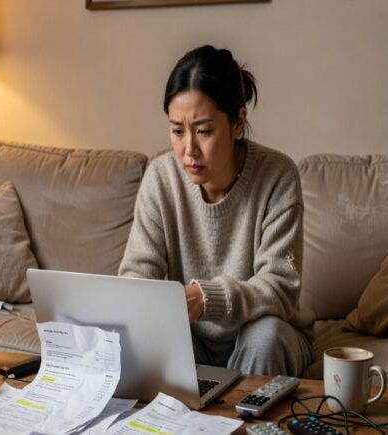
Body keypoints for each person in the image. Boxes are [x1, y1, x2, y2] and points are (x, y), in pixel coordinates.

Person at [119, 45, 314, 376]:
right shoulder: (160, 177)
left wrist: (206, 298)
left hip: (264, 336)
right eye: (177, 131)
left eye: (203, 131)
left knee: (264, 337)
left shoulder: (277, 176)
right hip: (193, 341)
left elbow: (280, 287)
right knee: (144, 338)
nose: (188, 151)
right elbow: (136, 277)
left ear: (238, 122)